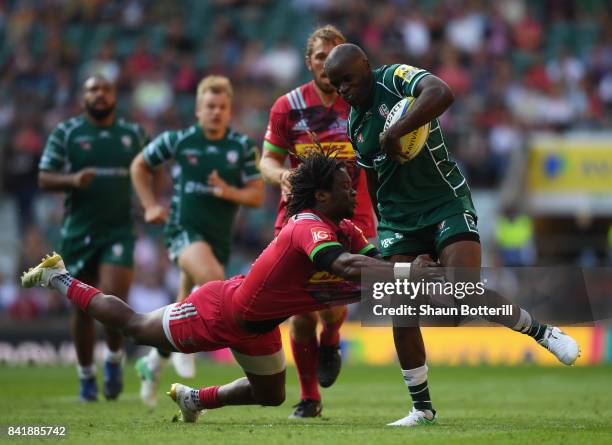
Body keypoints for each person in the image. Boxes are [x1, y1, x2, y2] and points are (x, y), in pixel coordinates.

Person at [22, 153, 439, 423]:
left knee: (272, 395)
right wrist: (408, 273)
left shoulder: (343, 227)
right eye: (347, 185)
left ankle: (195, 399)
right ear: (323, 194)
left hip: (258, 326)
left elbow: (377, 265)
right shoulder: (307, 225)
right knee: (134, 325)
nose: (354, 189)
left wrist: (410, 264)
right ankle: (59, 276)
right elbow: (347, 266)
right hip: (222, 310)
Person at [324, 43, 580, 426]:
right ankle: (422, 409)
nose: (342, 89)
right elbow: (373, 179)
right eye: (335, 84)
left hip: (444, 201)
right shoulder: (354, 123)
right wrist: (386, 231)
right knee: (401, 309)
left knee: (459, 295)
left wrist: (398, 130)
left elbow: (442, 92)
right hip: (398, 220)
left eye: (347, 79)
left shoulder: (394, 78)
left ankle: (540, 331)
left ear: (366, 65)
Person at [259, 25, 376, 418]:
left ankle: (333, 335)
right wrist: (282, 176)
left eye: (335, 55)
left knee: (331, 307)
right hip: (299, 215)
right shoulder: (287, 106)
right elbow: (268, 161)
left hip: (352, 215)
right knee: (301, 311)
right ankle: (310, 397)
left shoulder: (361, 100)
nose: (328, 63)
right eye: (321, 57)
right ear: (309, 62)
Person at [130, 75, 264, 404]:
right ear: (198, 109)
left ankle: (153, 362)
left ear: (229, 110)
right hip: (182, 231)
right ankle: (186, 347)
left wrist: (228, 191)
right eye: (210, 106)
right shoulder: (178, 141)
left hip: (218, 238)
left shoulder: (242, 147)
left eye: (222, 107)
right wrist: (149, 205)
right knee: (213, 282)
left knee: (183, 304)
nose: (216, 112)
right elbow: (139, 165)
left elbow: (257, 196)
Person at [38, 75, 148, 401]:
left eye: (105, 90)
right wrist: (72, 179)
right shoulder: (67, 133)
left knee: (113, 298)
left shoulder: (133, 134)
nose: (99, 95)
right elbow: (44, 177)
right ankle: (86, 376)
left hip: (119, 230)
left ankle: (114, 360)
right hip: (78, 232)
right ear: (83, 97)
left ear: (115, 95)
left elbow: (151, 167)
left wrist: (150, 200)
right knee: (83, 311)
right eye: (92, 90)